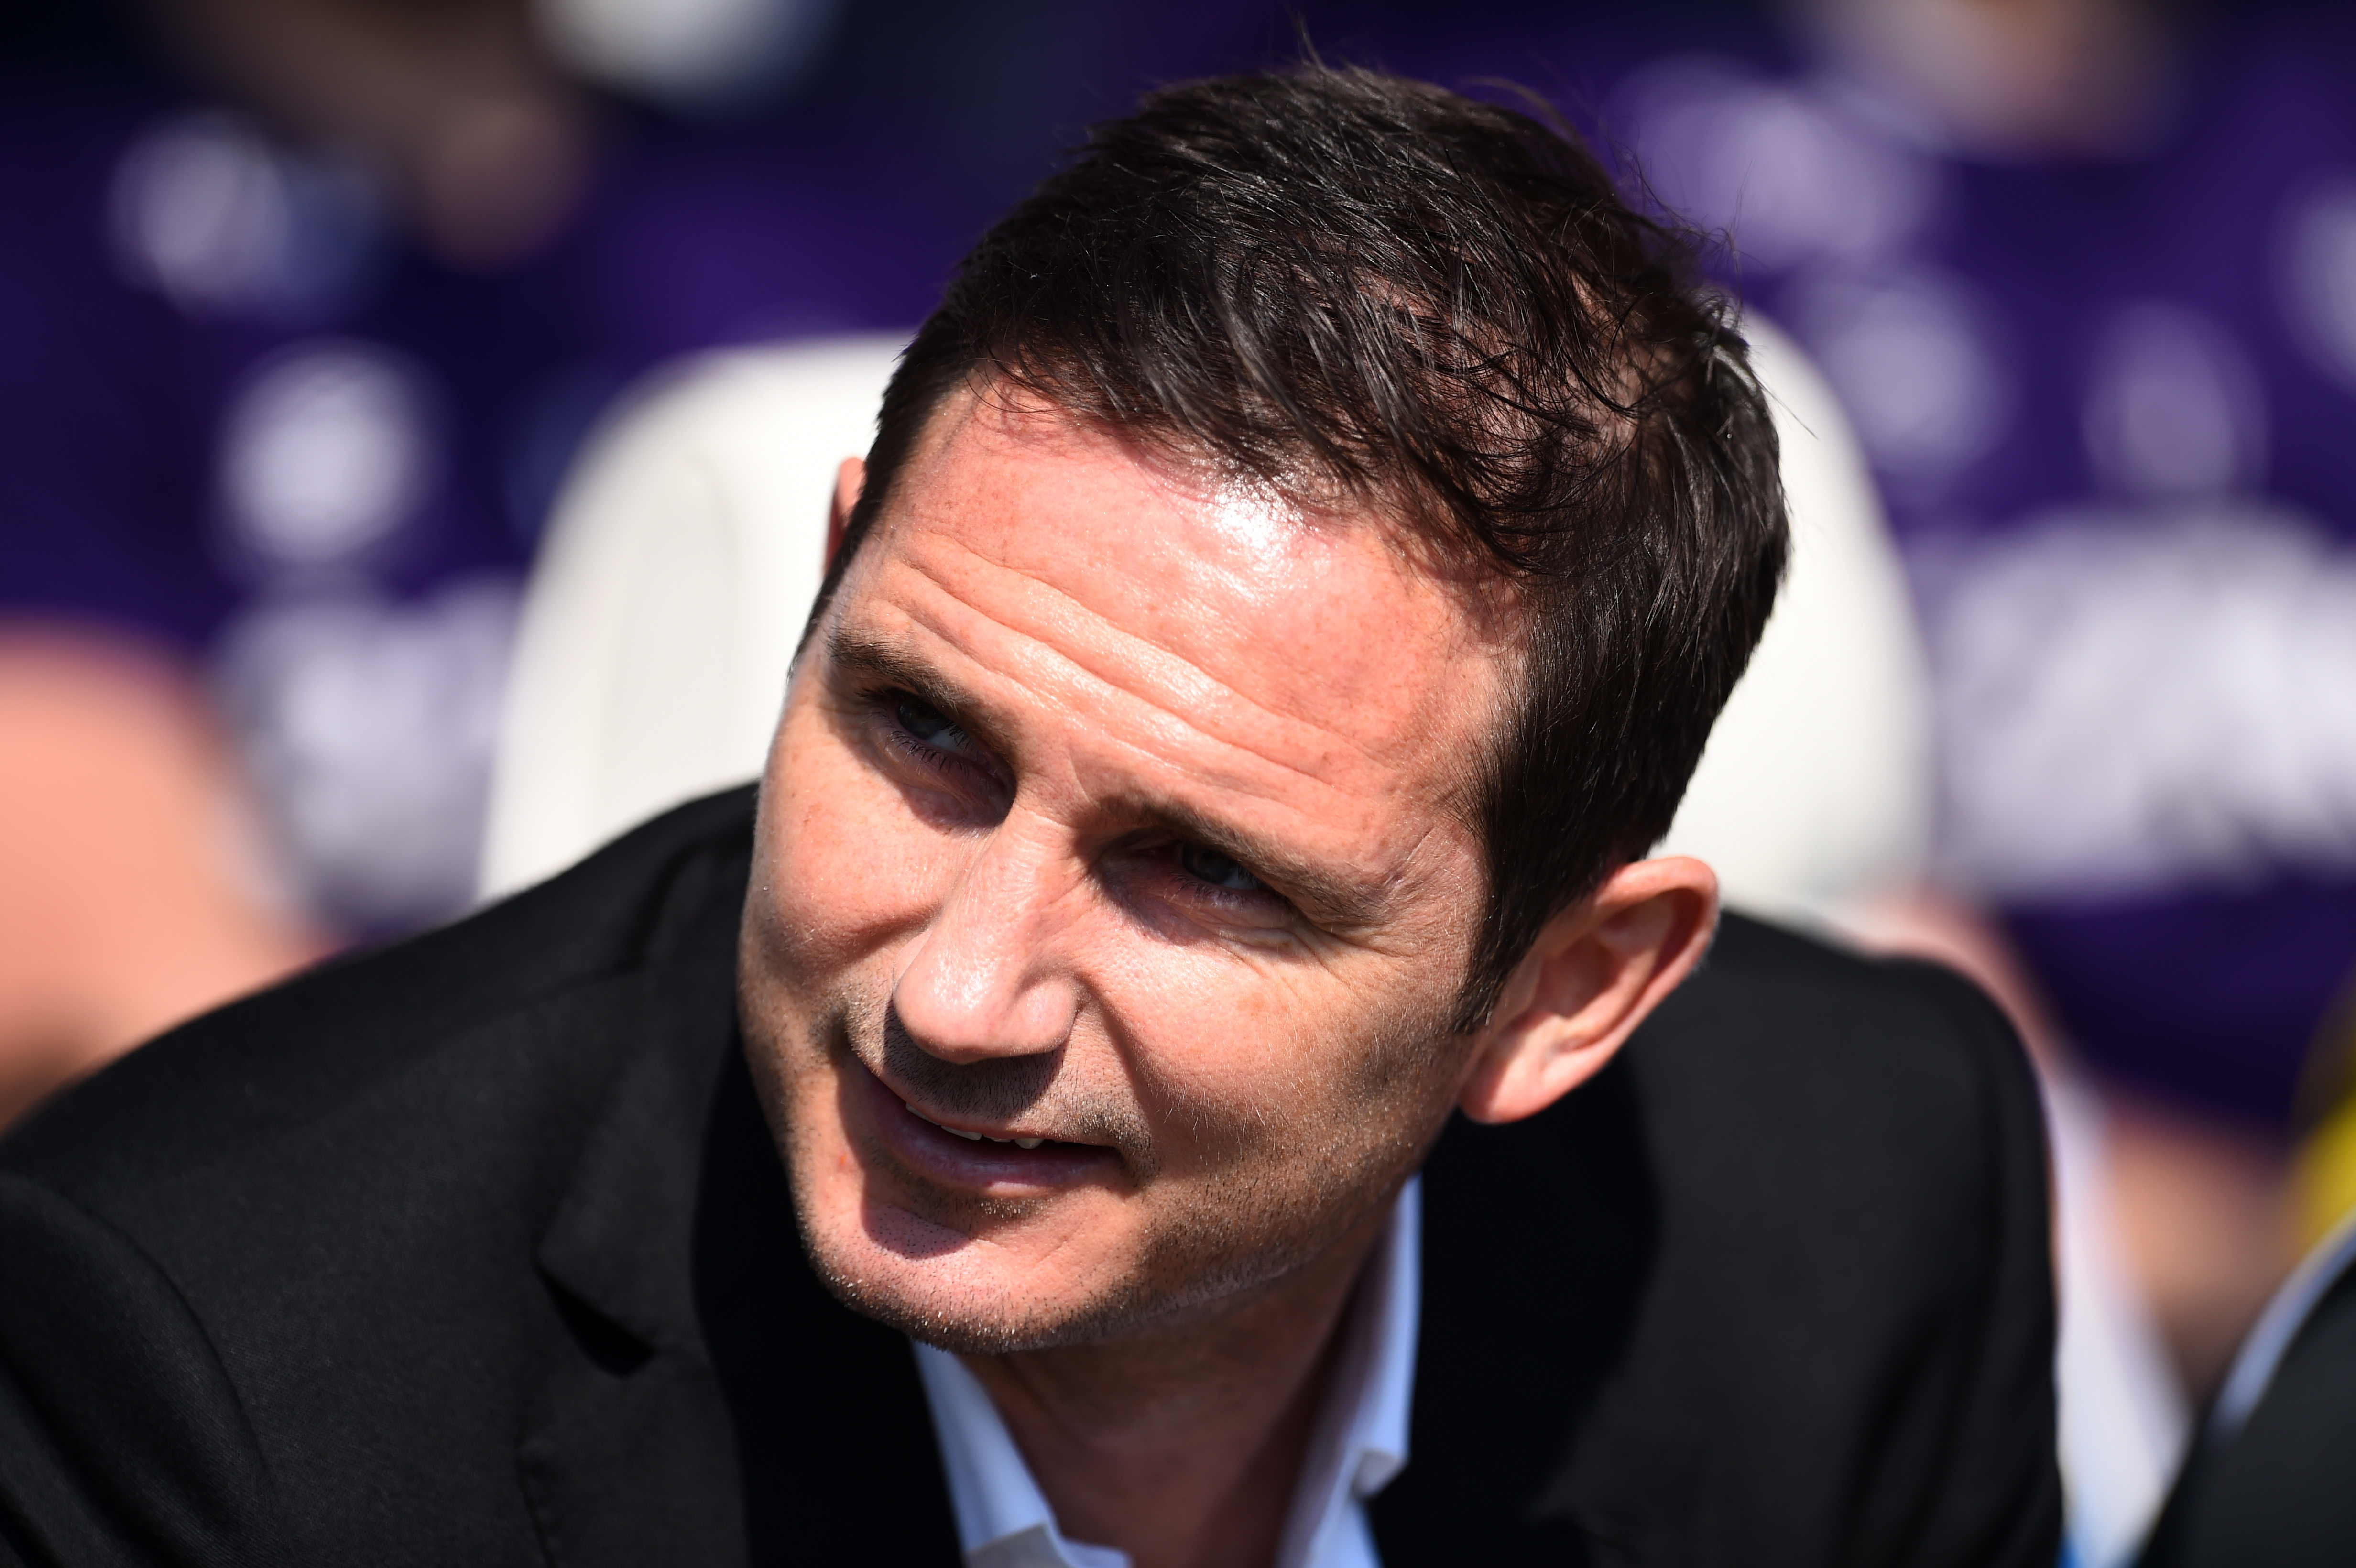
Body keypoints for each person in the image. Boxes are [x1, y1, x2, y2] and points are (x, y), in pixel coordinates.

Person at [0, 65, 2059, 1568]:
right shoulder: (214, 1371)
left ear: (1565, 989)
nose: (958, 993)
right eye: (922, 734)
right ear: (826, 587)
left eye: (1204, 869)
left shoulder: (1868, 1208)